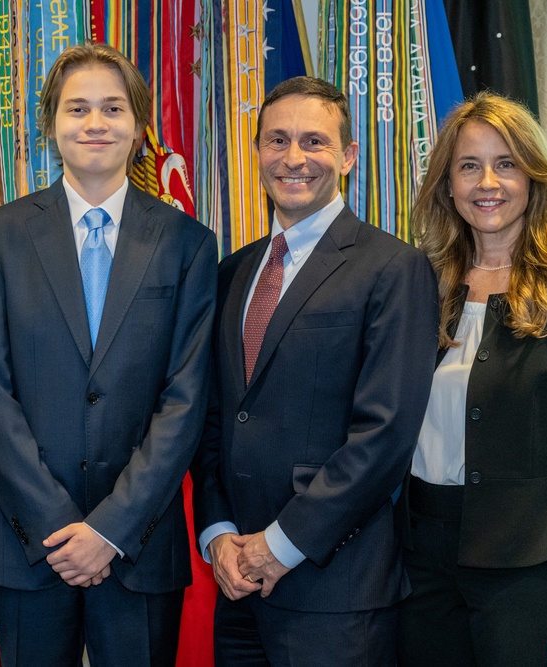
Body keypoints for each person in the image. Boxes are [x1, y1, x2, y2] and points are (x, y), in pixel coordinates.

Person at [0, 42, 217, 666]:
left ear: (138, 126)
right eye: (77, 109)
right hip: (30, 543)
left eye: (113, 108)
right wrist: (58, 528)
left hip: (140, 545)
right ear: (50, 125)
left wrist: (109, 531)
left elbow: (186, 398)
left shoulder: (187, 243)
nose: (95, 123)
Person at [190, 76, 439, 665]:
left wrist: (279, 547)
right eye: (277, 140)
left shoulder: (394, 269)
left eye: (315, 142)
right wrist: (218, 533)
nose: (294, 158)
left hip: (337, 591)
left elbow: (385, 436)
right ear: (257, 154)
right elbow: (217, 418)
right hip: (238, 587)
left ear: (348, 156)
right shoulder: (232, 273)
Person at [396, 92, 547, 667]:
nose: (487, 182)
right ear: (447, 184)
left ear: (534, 178)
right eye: (469, 166)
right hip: (419, 563)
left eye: (506, 164)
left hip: (533, 572)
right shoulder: (413, 291)